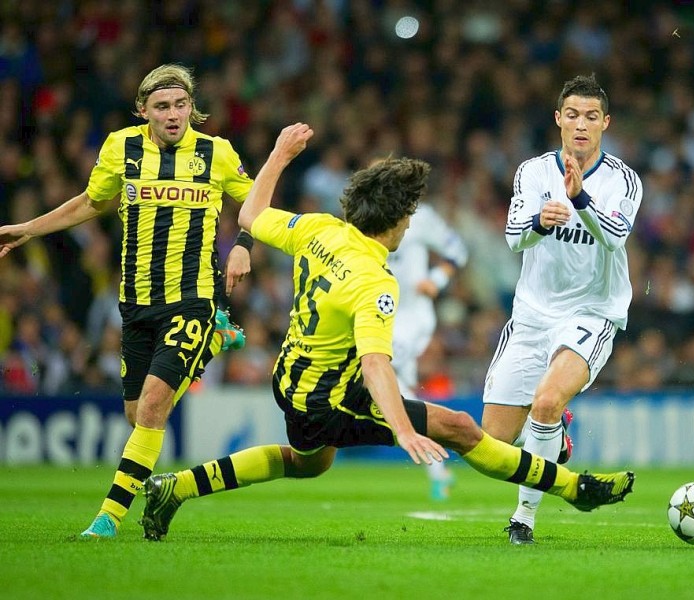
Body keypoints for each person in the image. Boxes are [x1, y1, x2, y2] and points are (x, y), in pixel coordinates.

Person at [139, 122, 635, 542]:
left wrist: (278, 155)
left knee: (308, 463)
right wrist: (403, 431)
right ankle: (576, 489)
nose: (410, 225)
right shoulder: (375, 282)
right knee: (459, 428)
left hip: (292, 375)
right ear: (396, 221)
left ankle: (176, 487)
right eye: (409, 217)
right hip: (328, 395)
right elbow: (376, 363)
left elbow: (249, 215)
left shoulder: (319, 228)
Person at [0, 64, 257, 538]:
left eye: (181, 105)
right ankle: (216, 342)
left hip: (192, 297)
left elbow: (256, 200)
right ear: (144, 111)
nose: (174, 114)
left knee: (155, 409)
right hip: (136, 303)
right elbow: (91, 202)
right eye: (162, 106)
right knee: (138, 416)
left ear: (192, 108)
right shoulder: (121, 147)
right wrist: (27, 229)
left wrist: (243, 242)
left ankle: (108, 518)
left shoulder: (216, 153)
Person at [480, 74, 643, 544]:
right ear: (558, 119)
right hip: (533, 315)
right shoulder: (532, 172)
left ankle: (523, 520)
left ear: (605, 123)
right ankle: (559, 440)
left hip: (592, 311)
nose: (581, 125)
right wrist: (539, 221)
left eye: (592, 117)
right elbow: (514, 238)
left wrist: (579, 201)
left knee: (547, 402)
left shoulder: (624, 181)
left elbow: (614, 236)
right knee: (493, 446)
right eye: (572, 114)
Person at [387, 201, 468, 500]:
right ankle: (439, 470)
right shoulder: (362, 216)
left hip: (410, 317)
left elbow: (457, 249)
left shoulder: (420, 217)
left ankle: (445, 461)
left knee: (382, 375)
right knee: (398, 394)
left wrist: (437, 279)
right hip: (380, 316)